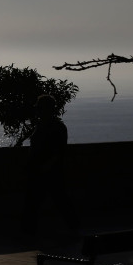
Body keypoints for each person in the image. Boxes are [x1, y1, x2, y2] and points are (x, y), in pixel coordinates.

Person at [20, 94, 80, 237]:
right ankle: (29, 231)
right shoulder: (43, 125)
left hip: (49, 171)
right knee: (38, 202)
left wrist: (45, 167)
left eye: (40, 108)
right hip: (40, 170)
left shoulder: (57, 127)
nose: (38, 111)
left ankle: (73, 228)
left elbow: (58, 151)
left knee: (55, 200)